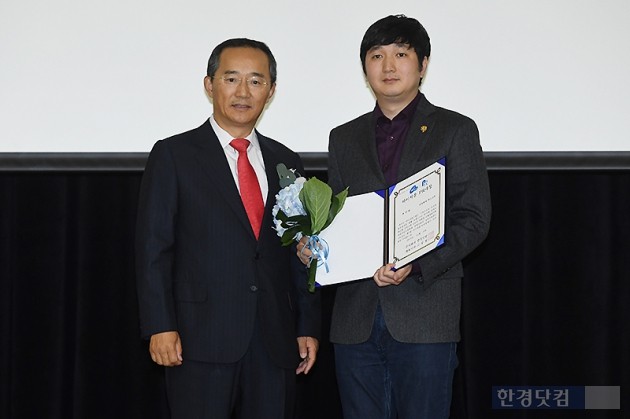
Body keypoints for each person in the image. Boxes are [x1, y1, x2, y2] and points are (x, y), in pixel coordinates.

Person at [300, 15, 491, 419]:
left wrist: (417, 263)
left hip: (425, 314)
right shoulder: (343, 137)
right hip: (355, 320)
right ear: (365, 66)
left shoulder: (455, 130)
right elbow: (338, 217)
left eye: (401, 54)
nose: (388, 66)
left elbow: (473, 217)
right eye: (377, 55)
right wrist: (314, 248)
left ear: (422, 64)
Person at [135, 38, 321, 419]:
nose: (243, 92)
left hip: (274, 339)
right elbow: (153, 248)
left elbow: (302, 250)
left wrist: (307, 324)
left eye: (256, 81)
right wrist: (159, 325)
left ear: (270, 91)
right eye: (231, 78)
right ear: (209, 85)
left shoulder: (287, 161)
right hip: (198, 340)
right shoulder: (174, 155)